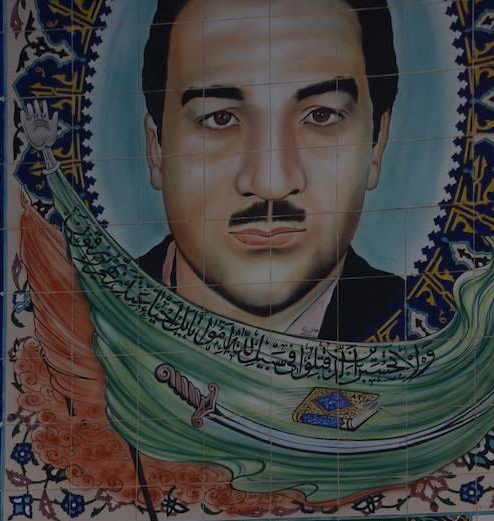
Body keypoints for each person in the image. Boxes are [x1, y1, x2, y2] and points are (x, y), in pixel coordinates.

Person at [140, 0, 404, 341]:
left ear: (376, 145)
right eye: (220, 118)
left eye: (321, 116)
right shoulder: (85, 316)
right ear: (157, 150)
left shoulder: (426, 333)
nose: (270, 182)